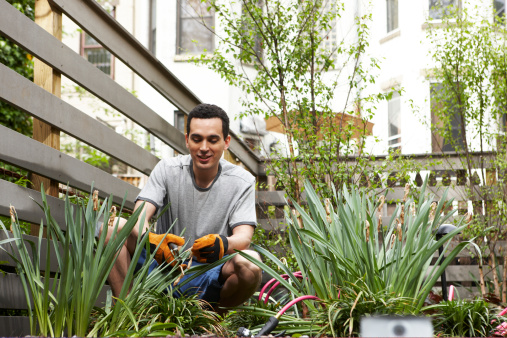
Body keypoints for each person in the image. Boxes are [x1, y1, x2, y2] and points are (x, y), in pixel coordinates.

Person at [101, 103, 262, 309]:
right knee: (111, 228)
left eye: (213, 140)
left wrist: (222, 243)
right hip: (163, 267)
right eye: (197, 139)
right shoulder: (167, 169)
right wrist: (152, 240)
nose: (204, 147)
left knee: (250, 262)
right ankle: (128, 313)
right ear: (187, 140)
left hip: (209, 273)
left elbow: (244, 238)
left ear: (226, 142)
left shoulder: (242, 180)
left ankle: (211, 322)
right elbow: (139, 216)